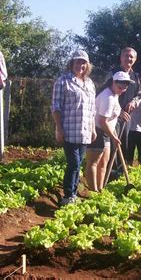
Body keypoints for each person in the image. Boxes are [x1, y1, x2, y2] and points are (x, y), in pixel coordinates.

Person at [51, 50, 96, 206]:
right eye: (78, 62)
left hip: (84, 132)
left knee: (78, 163)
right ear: (72, 64)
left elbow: (92, 109)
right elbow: (56, 107)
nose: (80, 65)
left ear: (87, 65)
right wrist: (59, 129)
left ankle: (74, 193)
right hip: (69, 131)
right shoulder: (63, 82)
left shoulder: (90, 84)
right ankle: (68, 195)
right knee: (74, 163)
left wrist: (93, 129)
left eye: (83, 63)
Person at [85, 71, 134, 191]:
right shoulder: (108, 97)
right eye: (120, 86)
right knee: (94, 162)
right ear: (113, 82)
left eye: (125, 86)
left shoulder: (114, 94)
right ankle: (93, 191)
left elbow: (112, 115)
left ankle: (100, 189)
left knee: (104, 163)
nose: (123, 89)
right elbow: (102, 121)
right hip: (97, 132)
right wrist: (114, 137)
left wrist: (119, 115)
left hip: (106, 132)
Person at [125, 72, 141, 165]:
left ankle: (140, 170)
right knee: (130, 149)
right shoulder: (133, 93)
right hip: (131, 127)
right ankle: (129, 169)